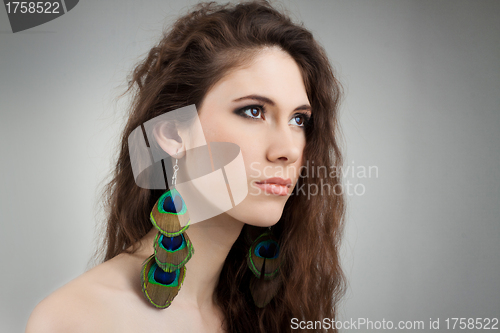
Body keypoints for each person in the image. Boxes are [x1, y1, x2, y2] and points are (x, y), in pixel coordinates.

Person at [26, 1, 346, 332]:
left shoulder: (278, 310)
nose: (289, 150)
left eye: (299, 119)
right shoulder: (78, 319)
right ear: (173, 133)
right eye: (253, 111)